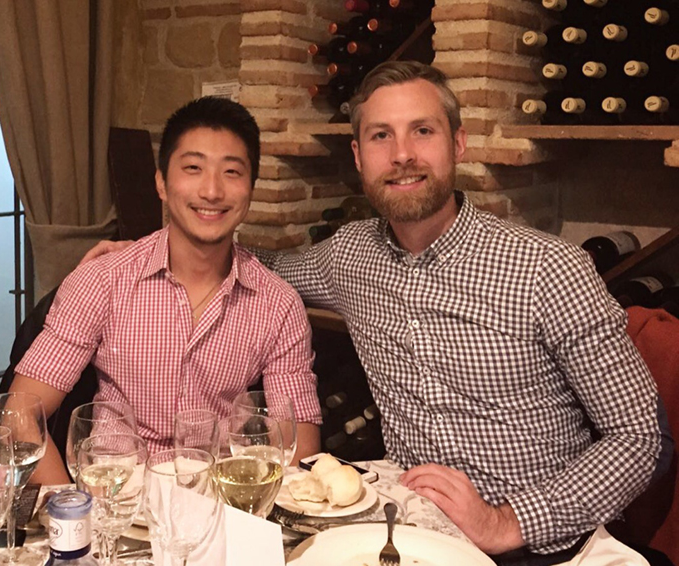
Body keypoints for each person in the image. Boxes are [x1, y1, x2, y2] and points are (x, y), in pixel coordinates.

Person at [83, 62, 665, 562]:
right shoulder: (351, 256)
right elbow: (255, 265)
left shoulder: (548, 268)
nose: (403, 154)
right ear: (359, 156)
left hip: (541, 548)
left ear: (457, 144)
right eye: (382, 137)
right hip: (403, 536)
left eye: (423, 131)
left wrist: (508, 522)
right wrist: (145, 246)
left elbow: (641, 437)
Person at [8, 96, 322, 485]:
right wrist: (73, 510)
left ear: (251, 188)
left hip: (221, 505)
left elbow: (298, 450)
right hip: (115, 501)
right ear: (161, 182)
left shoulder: (278, 305)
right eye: (193, 168)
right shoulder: (103, 279)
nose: (211, 190)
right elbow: (20, 414)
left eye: (232, 172)